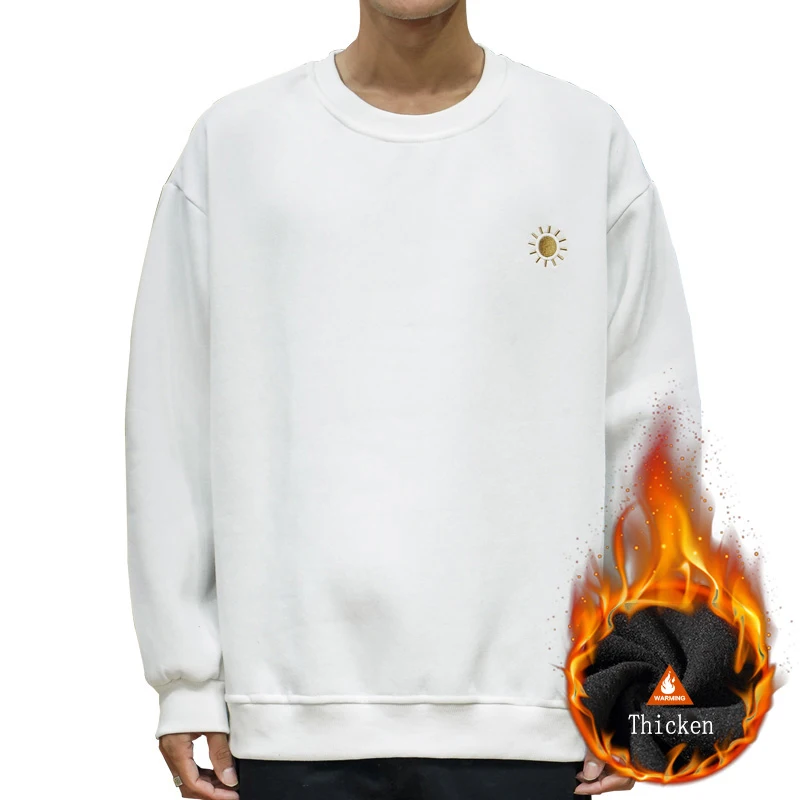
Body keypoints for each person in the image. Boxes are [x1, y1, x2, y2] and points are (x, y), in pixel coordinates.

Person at [124, 1, 701, 798]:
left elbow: (651, 413)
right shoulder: (237, 145)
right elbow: (172, 422)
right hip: (288, 713)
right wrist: (186, 677)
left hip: (533, 716)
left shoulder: (580, 139)